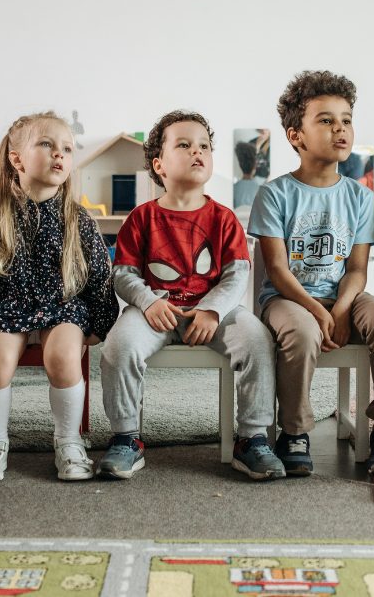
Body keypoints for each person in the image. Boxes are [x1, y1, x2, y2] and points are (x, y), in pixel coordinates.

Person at [100, 110, 285, 480]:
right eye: (183, 145)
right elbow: (122, 274)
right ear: (159, 164)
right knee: (118, 346)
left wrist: (212, 310)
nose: (196, 151)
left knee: (258, 340)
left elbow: (237, 274)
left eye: (203, 145)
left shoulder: (223, 218)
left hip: (212, 313)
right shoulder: (141, 218)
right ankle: (126, 438)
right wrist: (148, 302)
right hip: (156, 311)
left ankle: (252, 439)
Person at [249, 70, 374, 477]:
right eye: (325, 120)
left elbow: (357, 269)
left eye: (346, 120)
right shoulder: (275, 193)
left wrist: (340, 307)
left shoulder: (359, 196)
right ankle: (295, 431)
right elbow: (279, 271)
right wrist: (316, 311)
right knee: (302, 332)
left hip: (343, 296)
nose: (340, 129)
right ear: (295, 136)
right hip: (288, 299)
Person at [0, 111, 117, 483]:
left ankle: (69, 440)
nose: (59, 154)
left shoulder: (79, 219)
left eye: (66, 148)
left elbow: (99, 277)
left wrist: (99, 325)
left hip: (63, 306)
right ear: (17, 159)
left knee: (62, 356)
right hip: (6, 306)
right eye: (46, 145)